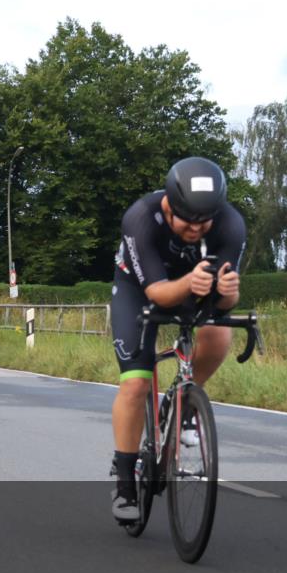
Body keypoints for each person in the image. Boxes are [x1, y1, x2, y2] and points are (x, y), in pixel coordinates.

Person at [109, 157, 245, 522]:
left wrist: (230, 292)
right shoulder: (140, 218)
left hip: (193, 283)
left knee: (219, 333)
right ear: (169, 206)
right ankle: (124, 479)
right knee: (136, 385)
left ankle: (184, 407)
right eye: (188, 220)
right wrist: (190, 283)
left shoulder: (231, 224)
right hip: (139, 289)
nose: (197, 229)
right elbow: (156, 292)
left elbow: (223, 300)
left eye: (205, 222)